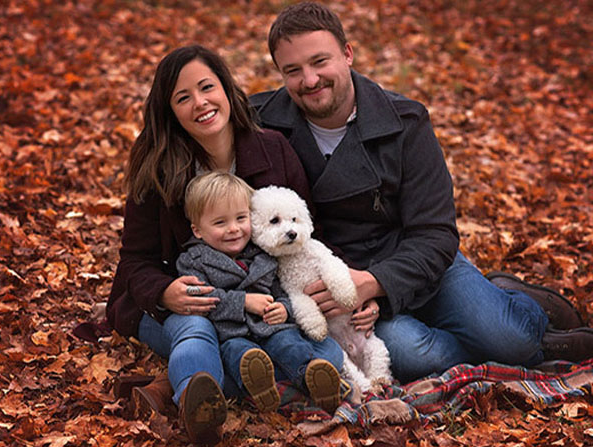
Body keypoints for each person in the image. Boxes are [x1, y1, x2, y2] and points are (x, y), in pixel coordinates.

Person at [250, 1, 592, 385]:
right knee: (408, 354)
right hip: (339, 285)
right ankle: (522, 341)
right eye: (292, 70)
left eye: (320, 62)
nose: (309, 80)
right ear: (279, 73)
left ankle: (527, 311)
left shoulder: (405, 121)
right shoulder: (263, 124)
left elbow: (436, 232)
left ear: (347, 54)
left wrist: (375, 283)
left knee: (508, 338)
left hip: (416, 262)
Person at [106, 44, 320, 444]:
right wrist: (164, 292)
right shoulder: (157, 163)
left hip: (259, 299)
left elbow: (304, 229)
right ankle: (197, 407)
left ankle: (168, 388)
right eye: (182, 97)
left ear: (226, 88)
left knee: (276, 337)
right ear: (169, 110)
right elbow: (135, 259)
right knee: (197, 326)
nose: (199, 103)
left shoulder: (273, 149)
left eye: (207, 87)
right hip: (180, 299)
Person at [176, 171, 344, 415]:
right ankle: (259, 386)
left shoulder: (264, 254)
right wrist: (243, 302)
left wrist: (284, 308)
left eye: (241, 218)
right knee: (239, 353)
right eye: (220, 223)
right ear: (198, 230)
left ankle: (313, 377)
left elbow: (282, 290)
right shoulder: (194, 261)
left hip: (270, 328)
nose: (233, 229)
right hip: (232, 333)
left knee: (288, 342)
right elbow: (202, 298)